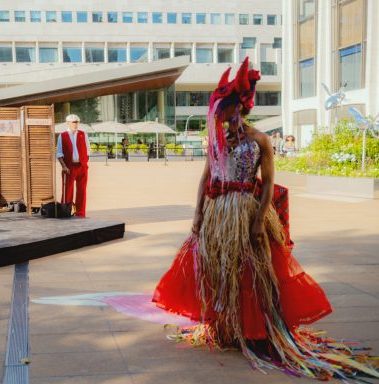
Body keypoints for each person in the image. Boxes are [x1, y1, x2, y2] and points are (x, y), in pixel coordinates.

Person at [152, 57, 378, 381]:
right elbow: (205, 178)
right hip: (219, 214)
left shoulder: (260, 140)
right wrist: (198, 214)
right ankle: (228, 328)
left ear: (237, 108)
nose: (218, 115)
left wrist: (259, 220)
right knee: (222, 271)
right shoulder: (216, 141)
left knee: (251, 273)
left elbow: (269, 183)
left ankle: (256, 331)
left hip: (246, 211)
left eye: (223, 108)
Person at [56, 114, 90, 217]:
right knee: (67, 191)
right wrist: (64, 166)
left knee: (82, 191)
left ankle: (80, 213)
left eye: (77, 122)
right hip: (69, 168)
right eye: (74, 122)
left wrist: (85, 163)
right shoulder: (62, 136)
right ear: (68, 123)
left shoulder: (83, 134)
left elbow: (88, 149)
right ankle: (66, 212)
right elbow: (59, 153)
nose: (76, 124)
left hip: (82, 167)